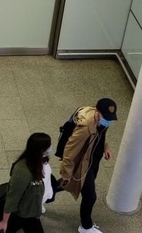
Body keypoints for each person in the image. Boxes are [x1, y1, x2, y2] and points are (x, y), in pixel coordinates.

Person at [59, 98, 118, 233]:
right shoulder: (85, 127)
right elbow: (69, 150)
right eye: (106, 117)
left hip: (93, 160)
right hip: (83, 165)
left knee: (68, 183)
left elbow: (101, 137)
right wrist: (66, 172)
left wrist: (105, 148)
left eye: (110, 118)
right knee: (90, 196)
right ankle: (85, 226)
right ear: (97, 112)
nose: (108, 121)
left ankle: (44, 193)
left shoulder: (101, 122)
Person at [0, 132, 50, 233]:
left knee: (11, 227)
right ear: (41, 150)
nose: (50, 149)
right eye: (48, 147)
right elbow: (13, 197)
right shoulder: (22, 171)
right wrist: (4, 221)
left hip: (28, 210)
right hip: (25, 213)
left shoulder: (39, 162)